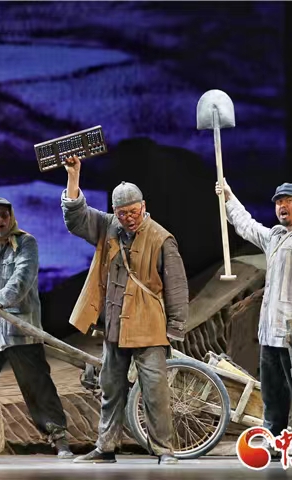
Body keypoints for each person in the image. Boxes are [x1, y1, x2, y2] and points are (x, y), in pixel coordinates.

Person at [61, 156, 188, 464]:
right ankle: (105, 447)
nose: (128, 218)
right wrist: (74, 177)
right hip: (115, 326)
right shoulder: (109, 227)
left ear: (143, 207)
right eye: (122, 213)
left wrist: (175, 328)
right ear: (115, 212)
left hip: (149, 328)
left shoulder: (161, 238)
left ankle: (164, 450)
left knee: (155, 392)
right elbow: (77, 219)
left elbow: (176, 286)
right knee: (111, 389)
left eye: (133, 211)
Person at [216, 180, 292, 439]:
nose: (282, 206)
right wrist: (229, 197)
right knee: (273, 397)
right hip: (271, 334)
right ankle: (276, 441)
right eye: (279, 202)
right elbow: (247, 226)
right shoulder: (277, 237)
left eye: (289, 200)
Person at [0, 197, 74, 459]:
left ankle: (59, 438)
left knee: (37, 384)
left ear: (11, 217)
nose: (0, 221)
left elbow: (22, 278)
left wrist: (0, 299)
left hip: (19, 325)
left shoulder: (26, 243)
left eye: (4, 215)